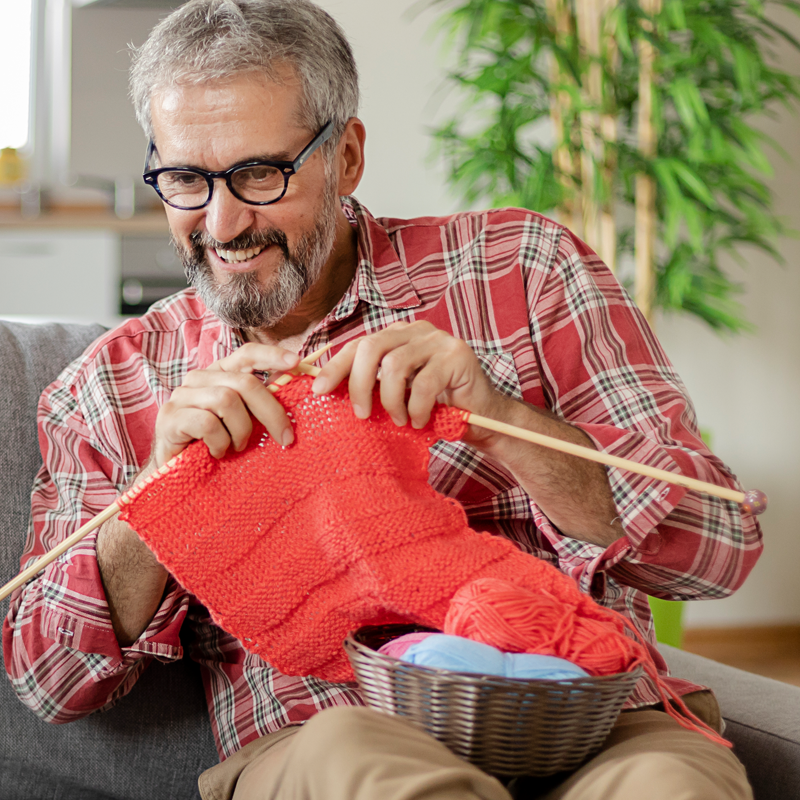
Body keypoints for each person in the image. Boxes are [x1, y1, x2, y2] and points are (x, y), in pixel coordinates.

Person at [3, 1, 761, 798]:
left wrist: (502, 420)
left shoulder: (523, 269)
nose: (222, 224)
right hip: (329, 740)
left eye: (261, 174)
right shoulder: (108, 385)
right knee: (358, 763)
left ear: (348, 157)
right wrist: (156, 494)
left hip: (593, 718)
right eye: (186, 180)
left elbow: (716, 549)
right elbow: (49, 679)